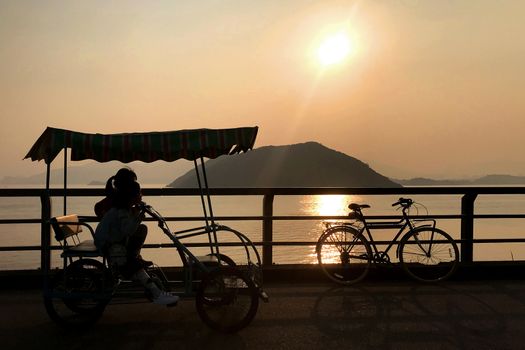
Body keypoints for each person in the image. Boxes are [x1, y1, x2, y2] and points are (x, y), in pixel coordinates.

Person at [94, 180, 179, 305]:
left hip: (110, 241)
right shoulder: (122, 211)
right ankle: (157, 294)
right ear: (131, 196)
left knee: (142, 229)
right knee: (135, 266)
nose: (141, 195)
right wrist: (139, 217)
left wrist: (138, 213)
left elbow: (127, 229)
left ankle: (133, 258)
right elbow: (128, 230)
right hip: (107, 244)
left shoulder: (123, 209)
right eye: (139, 193)